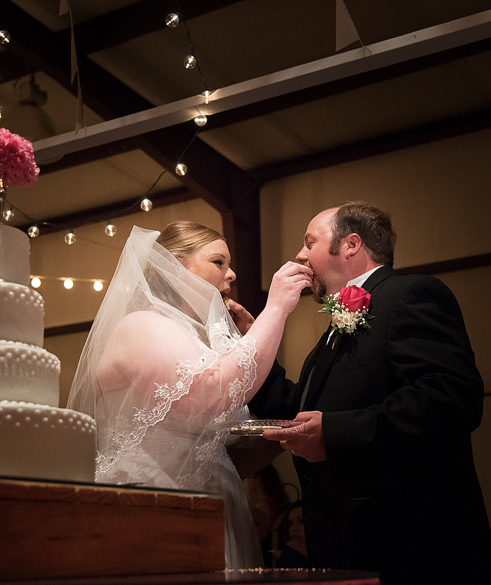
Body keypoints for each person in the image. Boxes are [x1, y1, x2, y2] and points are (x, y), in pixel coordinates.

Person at [248, 202, 491, 584]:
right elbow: (300, 410)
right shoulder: (329, 337)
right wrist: (253, 350)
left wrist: (334, 435)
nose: (299, 255)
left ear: (350, 244)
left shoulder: (410, 294)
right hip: (347, 546)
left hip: (412, 551)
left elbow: (450, 398)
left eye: (309, 242)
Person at [67, 221, 311, 569]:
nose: (232, 274)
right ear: (176, 266)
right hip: (158, 505)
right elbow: (211, 394)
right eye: (218, 262)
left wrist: (282, 435)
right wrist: (276, 310)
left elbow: (217, 452)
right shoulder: (142, 325)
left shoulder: (195, 341)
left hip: (217, 503)